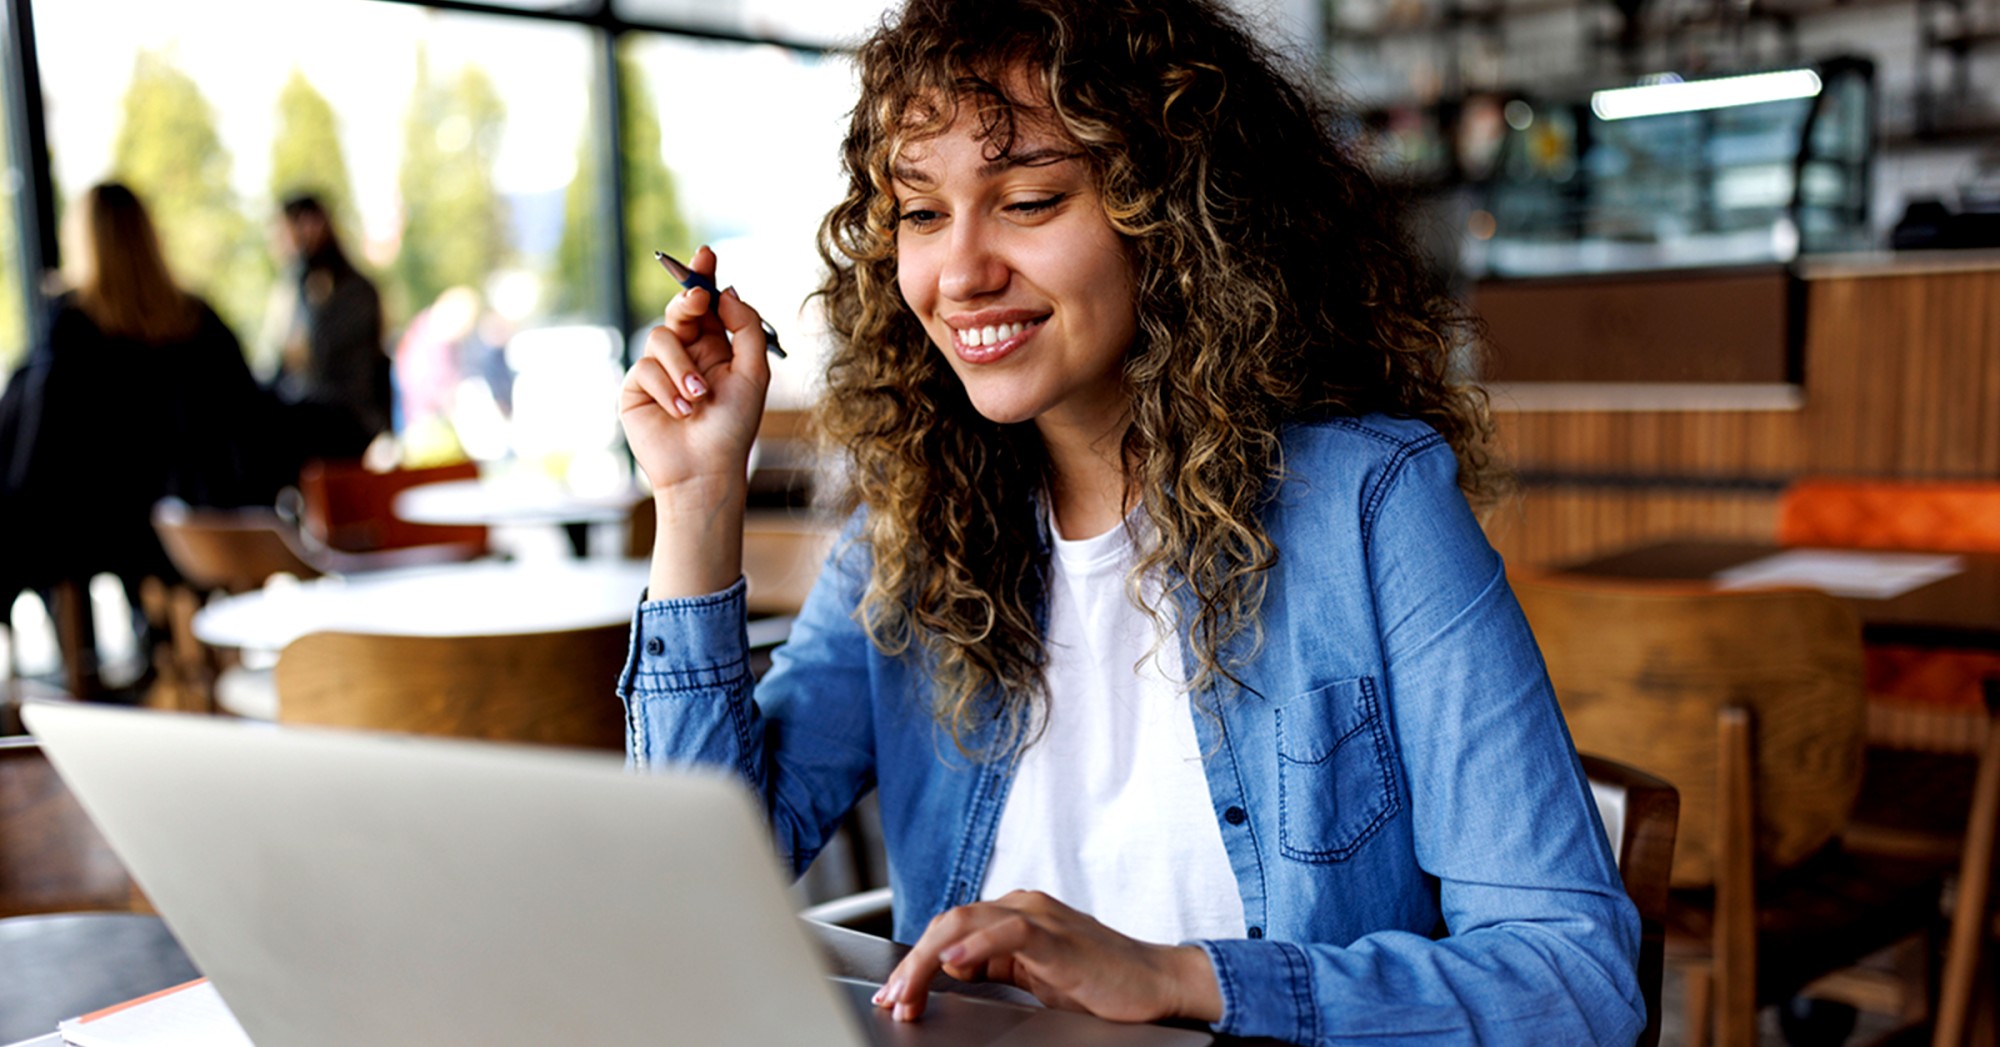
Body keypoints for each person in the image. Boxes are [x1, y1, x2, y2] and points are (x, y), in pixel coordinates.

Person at [615, 0, 1644, 1042]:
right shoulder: (908, 542)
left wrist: (1181, 978)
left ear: (1182, 215)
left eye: (1026, 199)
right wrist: (698, 501)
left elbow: (1572, 982)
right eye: (920, 213)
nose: (960, 271)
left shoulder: (1372, 512)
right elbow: (685, 885)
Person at [0, 182, 282, 647]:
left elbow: (39, 453)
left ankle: (95, 667)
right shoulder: (198, 319)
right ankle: (172, 646)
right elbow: (250, 423)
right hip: (201, 516)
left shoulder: (72, 331)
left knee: (41, 527)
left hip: (105, 526)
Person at [270, 192, 388, 462]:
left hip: (346, 417)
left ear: (311, 225)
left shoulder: (352, 291)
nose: (279, 243)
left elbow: (319, 359)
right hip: (320, 411)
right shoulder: (299, 286)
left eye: (284, 232)